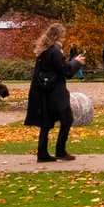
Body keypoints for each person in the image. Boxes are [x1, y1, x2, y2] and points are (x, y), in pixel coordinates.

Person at [25, 24, 83, 162]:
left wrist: (72, 62)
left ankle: (42, 153)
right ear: (57, 36)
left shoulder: (44, 50)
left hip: (44, 91)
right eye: (62, 36)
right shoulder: (55, 51)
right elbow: (66, 71)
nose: (64, 39)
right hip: (55, 92)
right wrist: (77, 62)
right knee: (67, 119)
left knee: (46, 122)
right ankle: (60, 150)